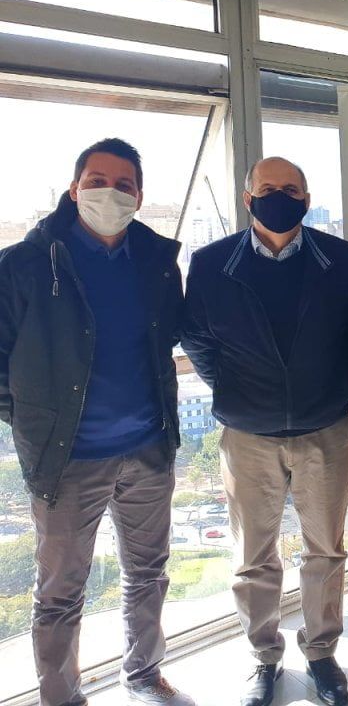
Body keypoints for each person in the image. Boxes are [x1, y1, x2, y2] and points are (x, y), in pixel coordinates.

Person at [0, 138, 193, 706]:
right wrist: (37, 426)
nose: (110, 193)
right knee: (60, 591)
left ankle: (144, 675)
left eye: (124, 184)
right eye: (97, 181)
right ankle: (61, 697)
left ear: (139, 196)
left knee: (149, 573)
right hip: (68, 459)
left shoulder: (157, 261)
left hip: (148, 449)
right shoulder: (24, 265)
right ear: (74, 189)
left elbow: (165, 340)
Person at [182, 157, 348, 706]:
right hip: (248, 434)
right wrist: (236, 389)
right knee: (253, 556)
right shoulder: (212, 263)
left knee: (325, 550)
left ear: (306, 199)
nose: (279, 197)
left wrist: (327, 384)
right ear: (248, 199)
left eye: (291, 189)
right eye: (268, 188)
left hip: (325, 428)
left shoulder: (338, 257)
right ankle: (263, 656)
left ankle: (322, 652)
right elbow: (198, 340)